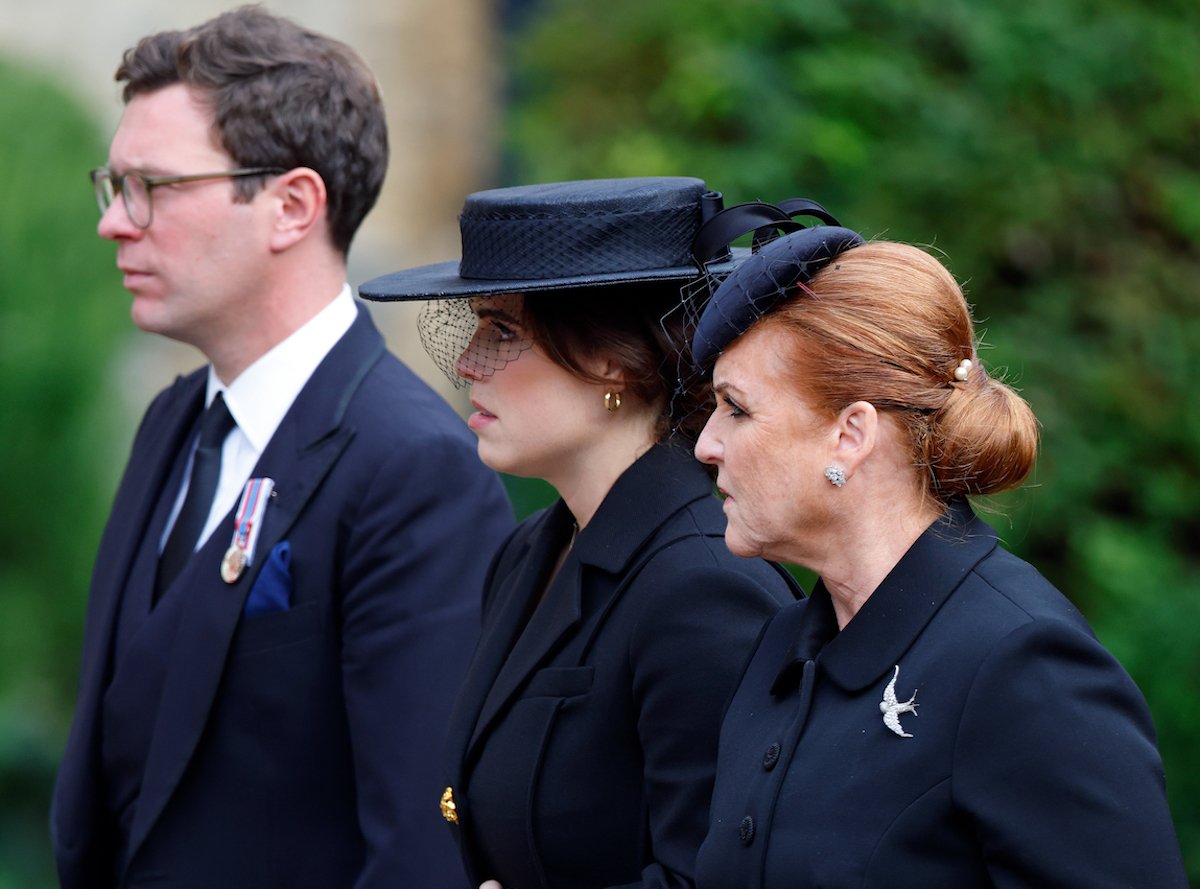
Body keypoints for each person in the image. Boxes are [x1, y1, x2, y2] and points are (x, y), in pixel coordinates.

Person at [51, 8, 514, 889]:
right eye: (112, 186)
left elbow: (416, 848)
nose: (117, 222)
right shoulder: (174, 420)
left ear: (292, 205)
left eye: (153, 186)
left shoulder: (414, 469)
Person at [684, 226, 1189, 888]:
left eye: (736, 409)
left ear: (850, 435)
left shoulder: (1021, 664)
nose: (706, 444)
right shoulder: (783, 644)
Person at [359, 177, 800, 889]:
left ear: (610, 360)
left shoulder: (705, 583)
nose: (468, 362)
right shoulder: (529, 550)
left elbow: (730, 876)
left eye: (502, 331)